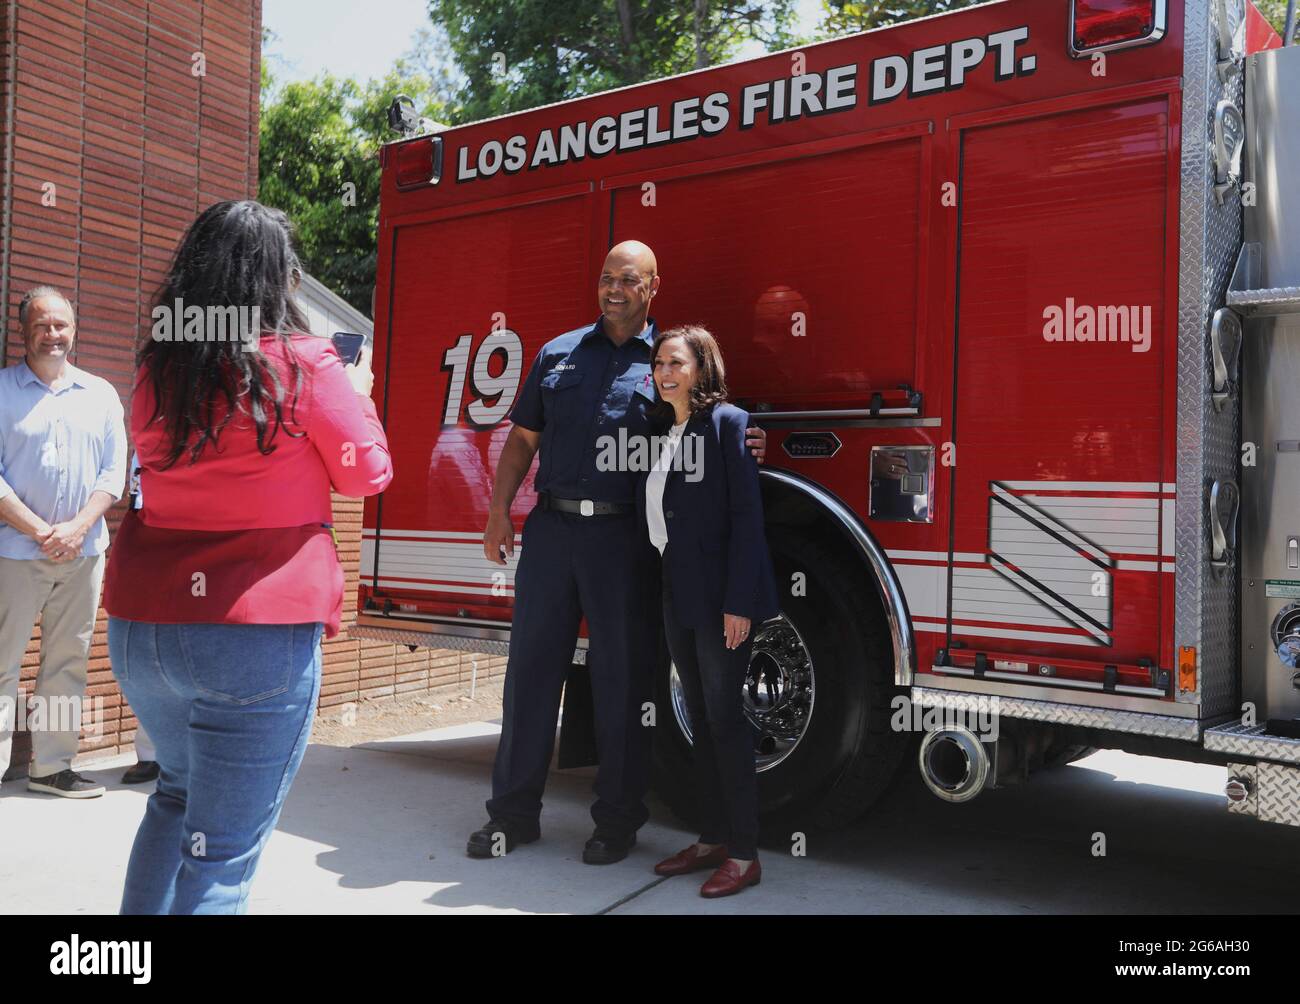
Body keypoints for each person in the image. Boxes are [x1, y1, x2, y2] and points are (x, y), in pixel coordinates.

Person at [102, 200, 393, 914]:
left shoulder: (158, 371)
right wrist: (357, 393)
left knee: (174, 800)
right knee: (222, 857)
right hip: (255, 630)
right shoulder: (309, 365)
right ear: (277, 279)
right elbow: (366, 474)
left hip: (145, 628)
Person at [472, 241, 766, 865]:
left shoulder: (663, 365)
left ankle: (616, 821)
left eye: (627, 280)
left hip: (623, 542)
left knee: (623, 682)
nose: (612, 289)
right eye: (605, 278)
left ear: (653, 286)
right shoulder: (558, 353)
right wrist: (499, 510)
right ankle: (512, 815)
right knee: (529, 676)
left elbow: (701, 423)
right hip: (551, 534)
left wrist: (747, 444)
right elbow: (523, 439)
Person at [639, 325, 778, 898]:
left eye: (676, 363)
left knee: (724, 718)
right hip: (676, 589)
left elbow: (748, 518)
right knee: (697, 716)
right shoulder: (658, 429)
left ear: (702, 369)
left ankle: (744, 854)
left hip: (721, 595)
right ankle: (712, 837)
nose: (664, 372)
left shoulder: (728, 424)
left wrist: (740, 603)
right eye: (658, 363)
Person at [0, 286, 126, 798]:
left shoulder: (100, 393)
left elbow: (114, 473)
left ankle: (50, 767)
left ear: (74, 330)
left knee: (67, 662)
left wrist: (75, 530)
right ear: (23, 331)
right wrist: (40, 530)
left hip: (83, 553)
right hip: (14, 552)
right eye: (42, 325)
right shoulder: (3, 391)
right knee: (1, 662)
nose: (53, 334)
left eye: (61, 325)